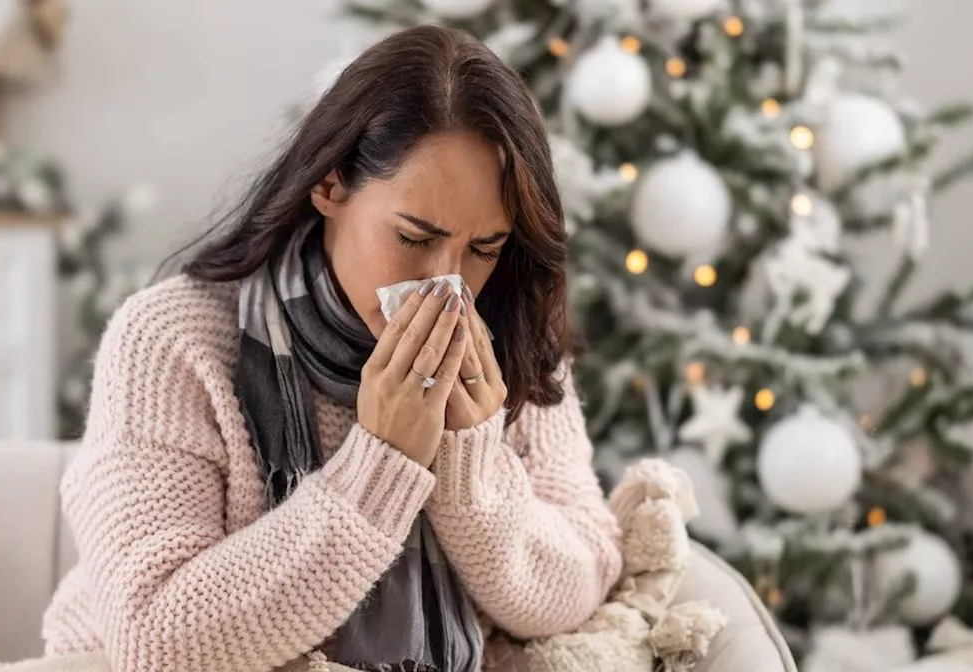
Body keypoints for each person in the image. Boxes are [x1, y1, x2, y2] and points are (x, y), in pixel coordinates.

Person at [41, 24, 623, 672]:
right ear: (330, 185)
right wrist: (382, 463)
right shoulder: (172, 342)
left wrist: (470, 467)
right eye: (413, 235)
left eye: (483, 248)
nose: (446, 284)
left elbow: (583, 579)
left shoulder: (508, 338)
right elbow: (154, 638)